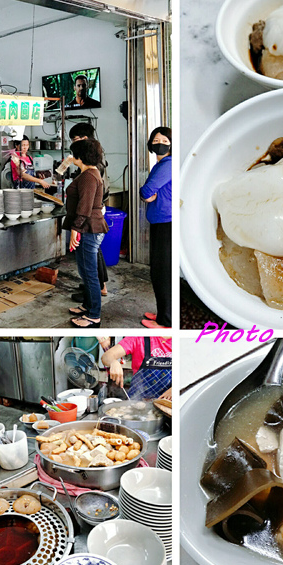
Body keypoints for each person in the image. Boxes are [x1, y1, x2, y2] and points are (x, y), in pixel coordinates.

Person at [64, 139, 108, 328]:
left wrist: (76, 229)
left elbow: (85, 207)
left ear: (79, 156)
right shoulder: (88, 173)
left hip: (89, 228)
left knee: (89, 273)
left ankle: (93, 315)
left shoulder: (89, 176)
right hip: (88, 227)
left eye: (74, 153)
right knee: (84, 269)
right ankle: (88, 305)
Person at [140, 127, 172, 329]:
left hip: (166, 223)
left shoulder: (167, 165)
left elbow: (146, 191)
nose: (159, 143)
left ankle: (166, 322)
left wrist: (149, 194)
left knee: (162, 271)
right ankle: (162, 313)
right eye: (156, 140)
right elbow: (148, 193)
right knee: (159, 270)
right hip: (160, 221)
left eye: (164, 141)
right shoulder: (161, 165)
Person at [100, 336, 172, 399]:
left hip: (165, 403)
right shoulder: (138, 338)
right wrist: (113, 362)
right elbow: (106, 356)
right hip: (136, 401)